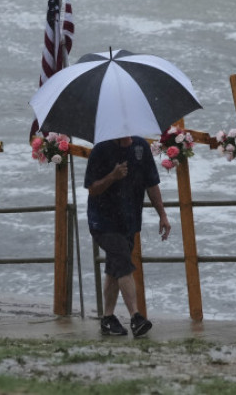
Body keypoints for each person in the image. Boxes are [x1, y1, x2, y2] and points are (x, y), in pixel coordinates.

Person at [84, 135, 171, 337]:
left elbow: (152, 183)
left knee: (114, 268)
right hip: (102, 221)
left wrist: (163, 215)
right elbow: (92, 189)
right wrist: (112, 176)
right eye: (124, 134)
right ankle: (136, 317)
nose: (129, 138)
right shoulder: (100, 150)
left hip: (129, 219)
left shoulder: (141, 146)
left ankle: (107, 319)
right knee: (123, 262)